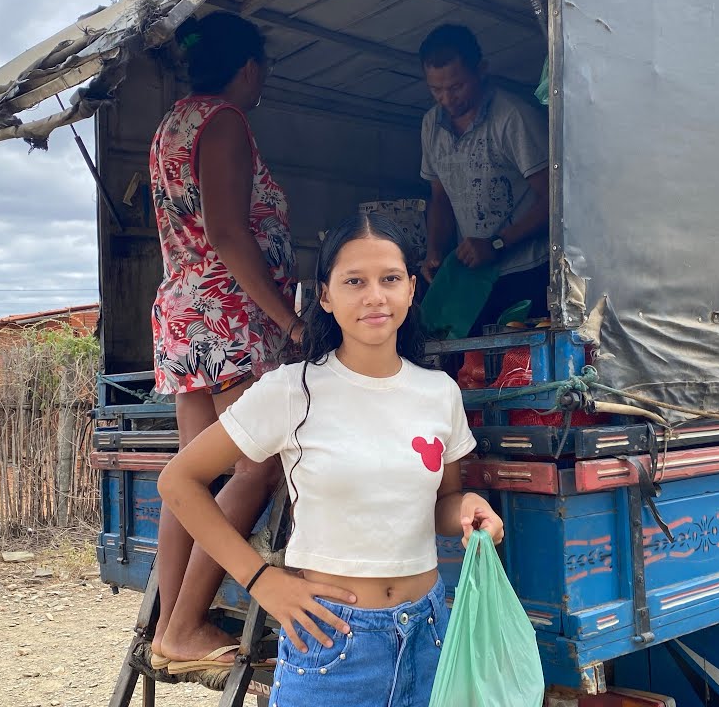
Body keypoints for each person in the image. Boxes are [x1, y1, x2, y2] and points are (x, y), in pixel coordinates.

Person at [156, 214, 505, 707]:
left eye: (389, 279)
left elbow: (440, 507)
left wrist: (471, 508)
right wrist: (260, 579)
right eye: (354, 281)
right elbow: (179, 482)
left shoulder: (439, 393)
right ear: (325, 296)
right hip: (332, 645)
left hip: (429, 637)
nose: (374, 296)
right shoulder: (292, 390)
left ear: (410, 289)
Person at [146, 11, 302, 678]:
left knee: (193, 473)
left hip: (185, 315)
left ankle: (164, 624)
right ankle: (184, 627)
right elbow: (230, 234)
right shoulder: (225, 122)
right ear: (248, 68)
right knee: (255, 466)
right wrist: (291, 323)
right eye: (261, 69)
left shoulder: (170, 125)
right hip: (229, 319)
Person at [418, 24, 551, 335]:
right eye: (436, 90)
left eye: (457, 86)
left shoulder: (512, 117)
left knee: (519, 370)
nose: (447, 99)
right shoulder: (430, 125)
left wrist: (497, 242)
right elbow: (440, 197)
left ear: (481, 71)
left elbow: (556, 201)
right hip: (472, 280)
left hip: (526, 271)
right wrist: (434, 250)